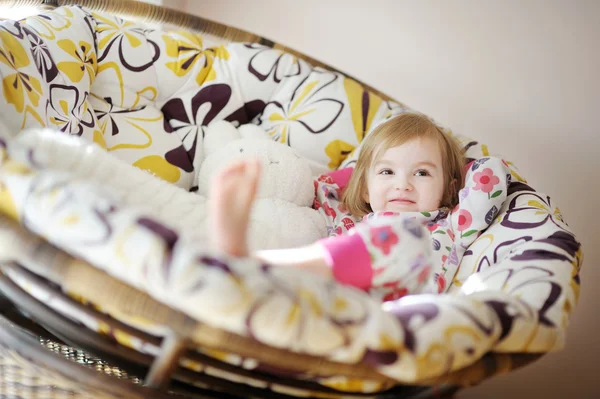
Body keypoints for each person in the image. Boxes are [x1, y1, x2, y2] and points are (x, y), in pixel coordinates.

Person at [208, 112, 507, 301]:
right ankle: (251, 264)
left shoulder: (454, 223)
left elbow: (491, 173)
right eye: (387, 172)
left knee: (405, 240)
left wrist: (457, 169)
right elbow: (323, 185)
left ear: (448, 188)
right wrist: (360, 177)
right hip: (322, 297)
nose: (403, 185)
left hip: (392, 310)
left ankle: (249, 260)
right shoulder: (347, 219)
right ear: (363, 187)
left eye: (422, 173)